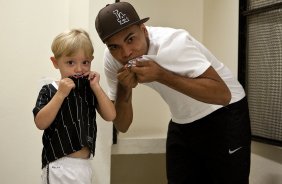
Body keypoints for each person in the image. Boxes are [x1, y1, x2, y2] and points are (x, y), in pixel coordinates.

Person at [95, 2, 251, 184]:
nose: (126, 52)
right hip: (182, 120)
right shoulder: (112, 60)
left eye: (130, 39)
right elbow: (122, 125)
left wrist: (161, 75)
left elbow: (223, 95)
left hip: (224, 113)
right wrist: (124, 87)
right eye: (114, 46)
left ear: (143, 30)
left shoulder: (175, 43)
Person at [32, 29, 116, 184]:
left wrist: (96, 87)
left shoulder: (90, 89)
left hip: (84, 165)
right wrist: (60, 94)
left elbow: (110, 115)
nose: (79, 69)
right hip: (59, 165)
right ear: (55, 63)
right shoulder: (50, 90)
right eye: (71, 62)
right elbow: (40, 122)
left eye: (85, 62)